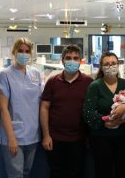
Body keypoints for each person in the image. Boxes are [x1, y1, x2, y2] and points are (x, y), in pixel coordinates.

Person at [40, 45, 93, 178]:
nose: (72, 61)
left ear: (80, 61)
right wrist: (46, 136)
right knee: (56, 173)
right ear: (62, 60)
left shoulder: (88, 82)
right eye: (68, 58)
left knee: (76, 173)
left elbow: (92, 110)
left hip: (79, 139)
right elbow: (44, 108)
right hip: (55, 139)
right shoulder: (52, 81)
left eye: (76, 58)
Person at [83, 52, 125, 178]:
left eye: (113, 63)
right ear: (101, 67)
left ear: (118, 65)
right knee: (103, 173)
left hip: (124, 139)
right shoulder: (95, 86)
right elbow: (88, 112)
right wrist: (104, 122)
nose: (110, 66)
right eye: (106, 64)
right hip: (101, 139)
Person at [0, 37, 42, 178]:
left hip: (32, 134)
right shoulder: (5, 75)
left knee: (26, 173)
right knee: (15, 175)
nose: (24, 53)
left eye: (27, 51)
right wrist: (11, 138)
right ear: (14, 52)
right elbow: (3, 109)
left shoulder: (35, 74)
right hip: (13, 134)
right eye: (20, 50)